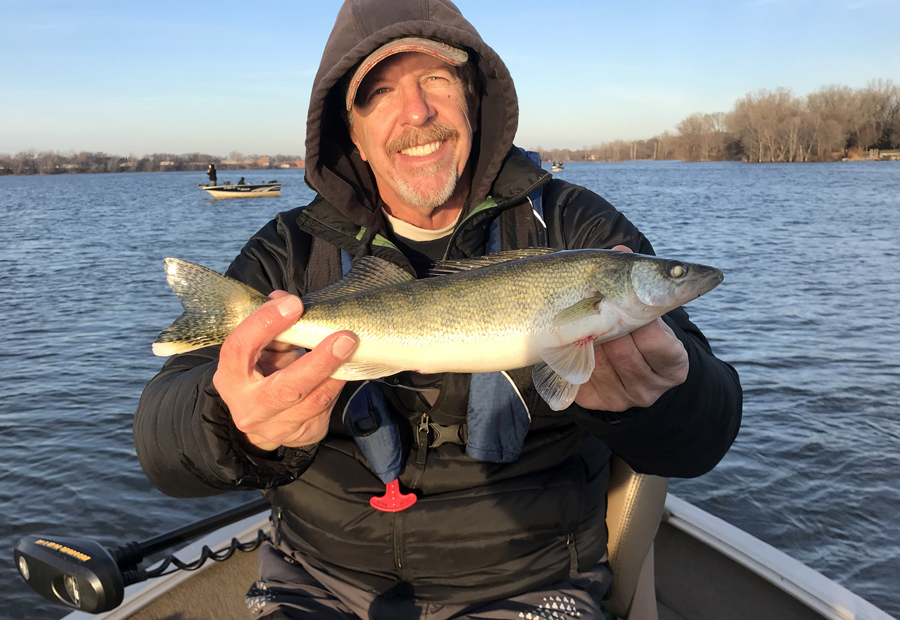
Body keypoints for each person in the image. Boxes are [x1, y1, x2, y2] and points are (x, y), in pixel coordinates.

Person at [134, 1, 742, 618]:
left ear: (473, 99)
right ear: (352, 133)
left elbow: (704, 437)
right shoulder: (289, 250)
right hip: (316, 581)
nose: (417, 111)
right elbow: (161, 447)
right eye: (379, 91)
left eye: (436, 79)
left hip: (529, 582)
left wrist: (663, 400)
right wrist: (235, 420)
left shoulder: (573, 227)